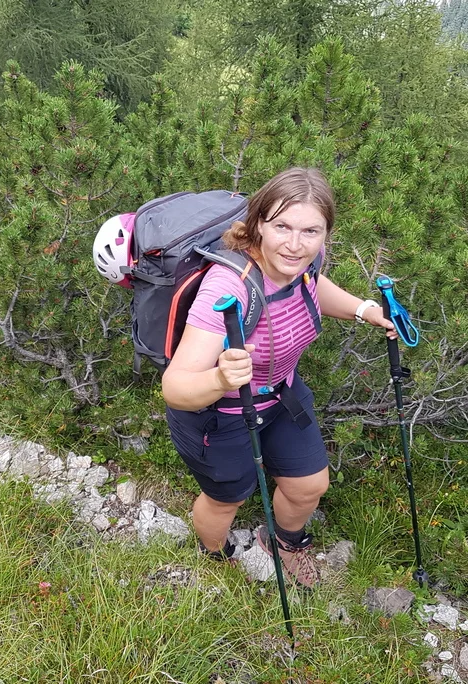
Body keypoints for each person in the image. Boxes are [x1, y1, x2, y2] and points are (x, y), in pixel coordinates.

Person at [161, 167, 396, 587]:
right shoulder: (228, 287)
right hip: (220, 414)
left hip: (279, 393)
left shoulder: (306, 260)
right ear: (258, 225)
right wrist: (220, 378)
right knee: (226, 498)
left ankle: (282, 542)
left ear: (326, 233)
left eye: (311, 231)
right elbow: (176, 388)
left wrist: (364, 311)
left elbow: (311, 283)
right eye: (281, 226)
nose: (294, 244)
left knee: (309, 485)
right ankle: (216, 557)